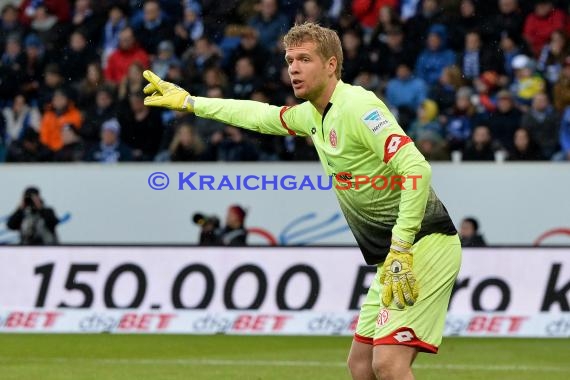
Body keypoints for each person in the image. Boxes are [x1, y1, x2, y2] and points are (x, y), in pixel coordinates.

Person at [142, 22, 461, 380]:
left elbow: (417, 167)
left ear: (331, 65)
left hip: (423, 244)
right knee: (360, 366)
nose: (293, 67)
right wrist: (192, 102)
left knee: (387, 365)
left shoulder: (358, 106)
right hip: (394, 257)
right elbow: (260, 116)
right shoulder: (312, 115)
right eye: (289, 59)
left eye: (305, 59)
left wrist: (401, 245)